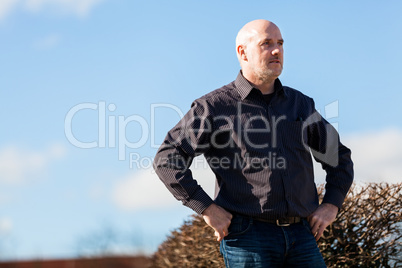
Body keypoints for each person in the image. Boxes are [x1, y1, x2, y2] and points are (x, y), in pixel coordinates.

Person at [153, 19, 353, 267]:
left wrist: (332, 204)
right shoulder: (213, 107)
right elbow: (167, 159)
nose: (277, 50)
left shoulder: (300, 104)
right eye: (266, 44)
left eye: (280, 43)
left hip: (303, 236)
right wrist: (206, 208)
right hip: (247, 239)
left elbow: (338, 157)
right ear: (243, 52)